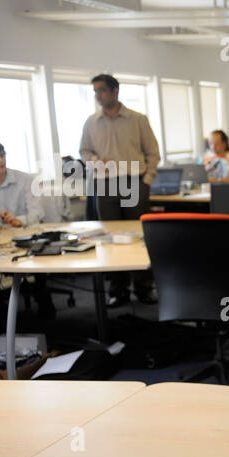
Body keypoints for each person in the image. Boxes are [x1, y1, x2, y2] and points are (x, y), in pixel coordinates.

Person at [78, 73, 159, 305]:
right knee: (112, 238)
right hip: (105, 183)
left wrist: (147, 180)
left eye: (102, 90)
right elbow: (83, 152)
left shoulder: (137, 119)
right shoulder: (91, 122)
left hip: (134, 181)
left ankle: (145, 287)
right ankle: (118, 290)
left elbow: (153, 152)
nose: (98, 96)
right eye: (95, 92)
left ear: (115, 91)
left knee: (138, 236)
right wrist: (95, 162)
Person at [0, 140, 50, 318]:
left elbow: (37, 212)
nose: (0, 161)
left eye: (2, 155)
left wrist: (18, 220)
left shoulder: (25, 179)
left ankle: (44, 300)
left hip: (23, 234)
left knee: (40, 251)